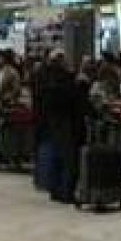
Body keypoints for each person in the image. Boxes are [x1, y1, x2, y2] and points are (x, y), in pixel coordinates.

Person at [36, 50, 87, 204]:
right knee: (69, 159)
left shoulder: (44, 77)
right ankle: (66, 192)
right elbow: (76, 101)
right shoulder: (68, 80)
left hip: (51, 123)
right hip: (68, 123)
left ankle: (55, 189)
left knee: (57, 157)